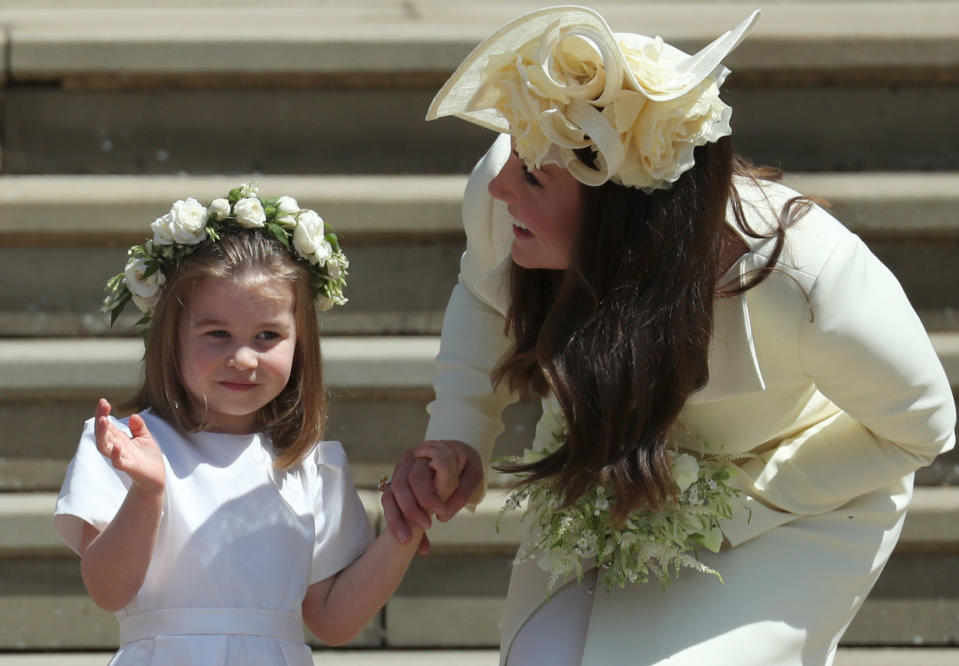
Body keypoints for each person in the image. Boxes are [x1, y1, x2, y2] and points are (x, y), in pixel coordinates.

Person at [381, 6, 957, 666]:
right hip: (611, 469)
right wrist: (457, 433)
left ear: (621, 213)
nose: (502, 186)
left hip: (801, 502)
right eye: (513, 155)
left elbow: (921, 430)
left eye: (533, 176)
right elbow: (484, 299)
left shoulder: (805, 281)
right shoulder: (504, 193)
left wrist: (721, 507)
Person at [53, 185, 456, 665]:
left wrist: (404, 525)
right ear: (171, 335)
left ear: (300, 341)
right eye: (217, 334)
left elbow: (333, 617)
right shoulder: (129, 447)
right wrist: (147, 494)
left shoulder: (312, 465)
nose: (242, 358)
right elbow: (108, 589)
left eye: (267, 336)